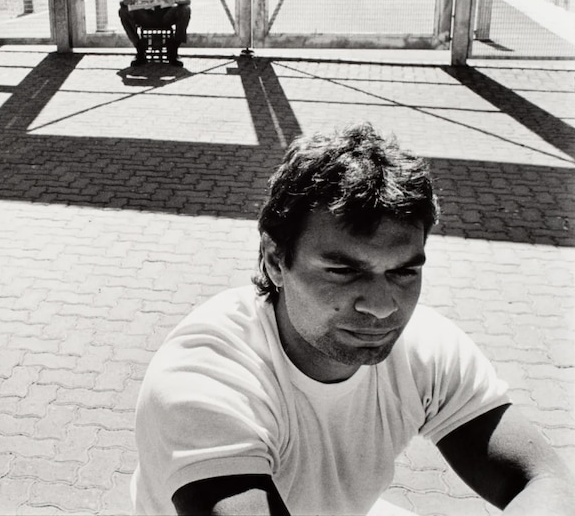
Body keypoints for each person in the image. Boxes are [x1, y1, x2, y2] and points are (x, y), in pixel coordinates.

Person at [132, 123, 574, 515]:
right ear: (274, 259)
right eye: (343, 271)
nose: (382, 307)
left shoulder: (424, 347)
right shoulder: (205, 379)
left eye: (403, 271)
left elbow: (542, 480)